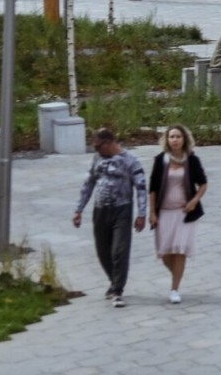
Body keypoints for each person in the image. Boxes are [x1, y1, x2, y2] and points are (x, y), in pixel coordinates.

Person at [73, 127, 147, 308]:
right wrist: (78, 209)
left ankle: (117, 291)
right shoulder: (97, 159)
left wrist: (142, 214)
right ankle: (114, 281)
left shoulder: (130, 161)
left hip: (122, 209)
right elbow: (88, 184)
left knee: (119, 251)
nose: (96, 150)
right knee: (102, 251)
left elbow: (141, 187)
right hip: (101, 210)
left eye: (98, 146)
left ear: (109, 143)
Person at [148, 125, 208, 305]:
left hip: (184, 213)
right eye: (171, 136)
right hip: (164, 212)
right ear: (166, 139)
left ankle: (174, 289)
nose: (174, 140)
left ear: (184, 139)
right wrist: (152, 212)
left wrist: (194, 201)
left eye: (178, 136)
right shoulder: (160, 160)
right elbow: (152, 189)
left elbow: (203, 183)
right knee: (165, 252)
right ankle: (177, 274)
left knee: (180, 250)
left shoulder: (192, 160)